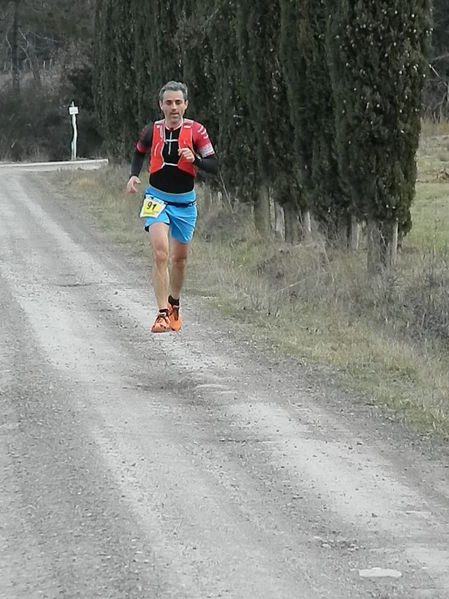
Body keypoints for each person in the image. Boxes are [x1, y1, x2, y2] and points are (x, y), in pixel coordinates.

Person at [127, 81, 218, 333]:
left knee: (179, 259)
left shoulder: (197, 131)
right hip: (156, 198)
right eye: (168, 103)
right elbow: (138, 152)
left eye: (178, 102)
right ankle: (161, 314)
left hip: (185, 202)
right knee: (160, 253)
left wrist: (196, 159)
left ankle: (174, 302)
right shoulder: (151, 130)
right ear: (161, 105)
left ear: (186, 104)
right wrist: (134, 175)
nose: (173, 107)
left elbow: (214, 165)